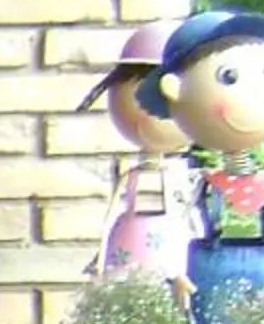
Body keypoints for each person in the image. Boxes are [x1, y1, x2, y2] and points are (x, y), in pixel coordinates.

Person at [139, 9, 264, 324]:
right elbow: (178, 232)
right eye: (229, 78)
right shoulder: (207, 181)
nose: (257, 91)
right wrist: (175, 273)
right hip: (212, 275)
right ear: (174, 89)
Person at [79, 19, 202, 281]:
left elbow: (192, 212)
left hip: (175, 242)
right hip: (130, 240)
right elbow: (111, 216)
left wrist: (202, 236)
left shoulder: (181, 177)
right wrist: (101, 257)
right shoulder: (131, 178)